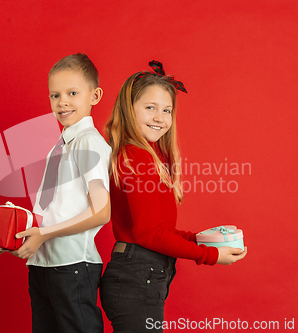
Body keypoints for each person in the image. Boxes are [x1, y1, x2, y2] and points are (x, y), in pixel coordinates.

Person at [100, 61, 247, 332]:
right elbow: (149, 234)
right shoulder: (137, 155)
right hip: (137, 277)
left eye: (166, 110)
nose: (160, 117)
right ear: (128, 108)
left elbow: (157, 229)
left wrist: (201, 239)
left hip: (140, 275)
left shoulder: (149, 156)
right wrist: (209, 255)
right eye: (150, 107)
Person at [10, 53, 111, 333]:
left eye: (73, 93)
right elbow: (56, 207)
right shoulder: (61, 144)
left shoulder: (88, 143)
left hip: (72, 266)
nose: (62, 102)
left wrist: (45, 234)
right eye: (55, 95)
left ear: (95, 95)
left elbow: (101, 211)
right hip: (44, 262)